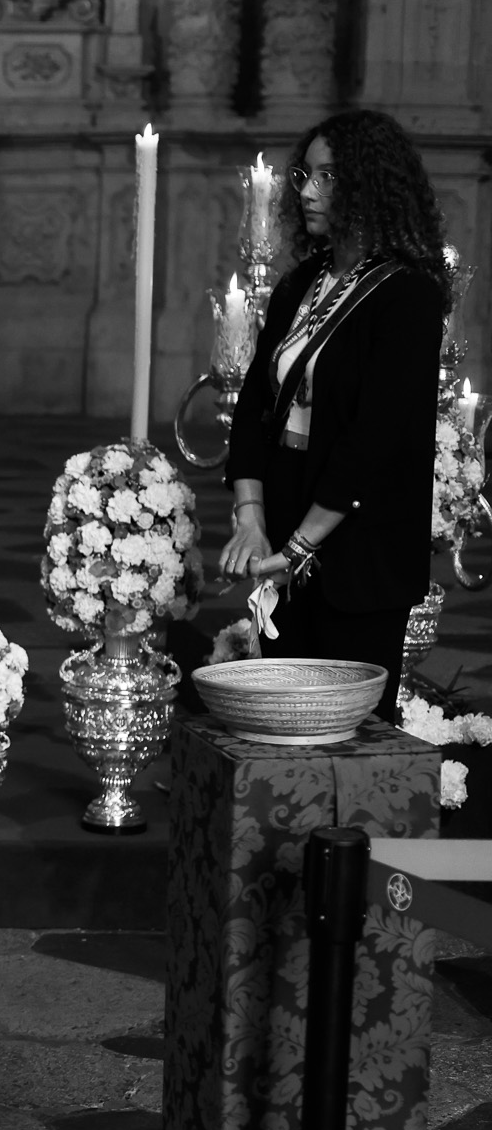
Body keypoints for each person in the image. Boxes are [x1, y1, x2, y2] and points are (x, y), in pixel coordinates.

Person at [219, 109, 450, 721]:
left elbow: (373, 440)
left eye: (328, 177)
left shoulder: (407, 295)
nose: (307, 191)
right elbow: (254, 405)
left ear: (370, 185)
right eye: (304, 175)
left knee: (348, 736)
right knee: (281, 725)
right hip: (286, 515)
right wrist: (251, 519)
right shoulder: (301, 283)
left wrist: (300, 546)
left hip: (359, 547)